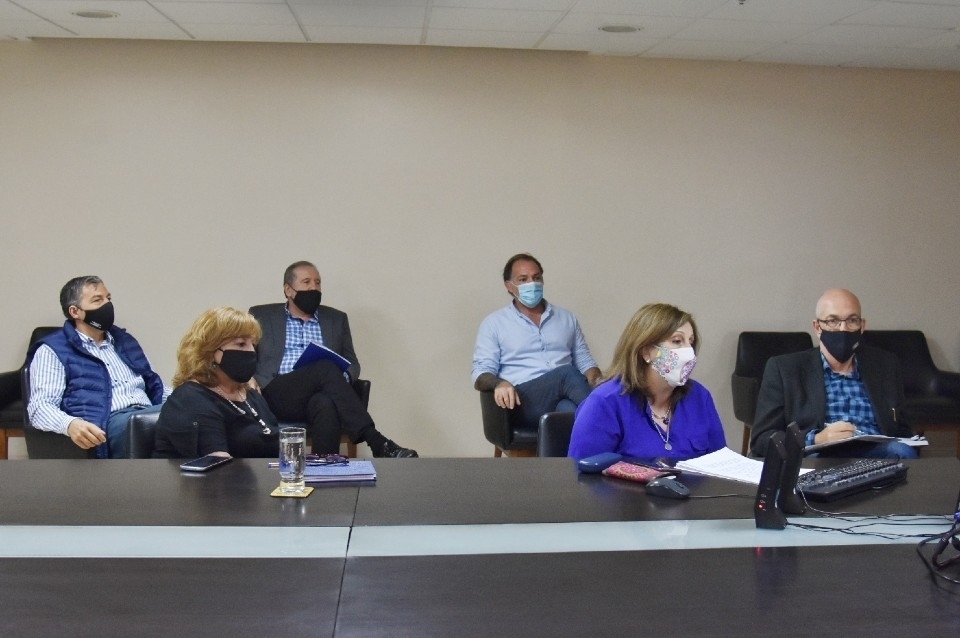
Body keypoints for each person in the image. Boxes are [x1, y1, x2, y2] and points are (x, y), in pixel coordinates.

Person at [248, 261, 417, 458]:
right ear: (288, 290)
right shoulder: (262, 316)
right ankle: (377, 441)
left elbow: (352, 362)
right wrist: (247, 378)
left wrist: (339, 380)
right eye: (306, 282)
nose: (314, 288)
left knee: (326, 402)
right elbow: (245, 351)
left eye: (318, 282)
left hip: (319, 392)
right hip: (275, 393)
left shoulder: (336, 319)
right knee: (325, 367)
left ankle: (324, 468)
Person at [750, 288, 917, 459]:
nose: (843, 329)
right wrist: (816, 439)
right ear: (817, 327)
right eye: (833, 321)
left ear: (862, 326)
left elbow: (903, 430)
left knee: (902, 451)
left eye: (852, 320)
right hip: (817, 455)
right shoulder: (784, 369)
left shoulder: (886, 365)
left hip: (875, 453)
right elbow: (761, 439)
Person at [27, 276, 168, 458]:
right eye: (97, 300)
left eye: (108, 298)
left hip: (147, 413)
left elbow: (156, 386)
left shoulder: (125, 341)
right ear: (75, 311)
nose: (107, 305)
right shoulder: (53, 350)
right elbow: (39, 407)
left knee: (192, 412)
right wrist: (70, 424)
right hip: (110, 422)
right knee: (148, 423)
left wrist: (187, 400)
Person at [568, 303, 726, 460]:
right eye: (677, 341)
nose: (689, 353)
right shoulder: (604, 402)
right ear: (646, 352)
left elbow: (721, 465)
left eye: (690, 342)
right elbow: (582, 472)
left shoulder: (700, 397)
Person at [472, 253, 602, 429]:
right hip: (522, 401)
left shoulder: (566, 318)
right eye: (523, 279)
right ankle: (613, 420)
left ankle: (603, 434)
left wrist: (600, 383)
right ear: (509, 286)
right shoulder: (494, 323)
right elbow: (480, 372)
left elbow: (585, 362)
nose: (532, 284)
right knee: (566, 374)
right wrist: (499, 384)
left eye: (536, 278)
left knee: (571, 413)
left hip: (563, 396)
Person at [155, 307, 289, 458]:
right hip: (217, 473)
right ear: (210, 351)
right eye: (241, 344)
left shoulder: (250, 395)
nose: (251, 351)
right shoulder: (190, 398)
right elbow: (217, 464)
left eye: (253, 344)